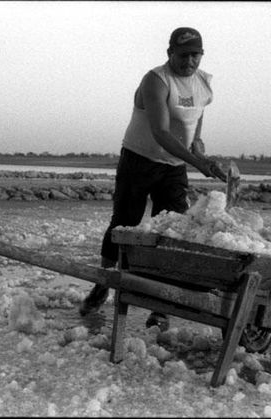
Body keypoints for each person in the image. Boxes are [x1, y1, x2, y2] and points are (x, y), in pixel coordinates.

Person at [79, 27, 227, 330]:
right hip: (139, 160)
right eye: (183, 55)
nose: (189, 61)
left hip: (174, 167)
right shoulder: (156, 80)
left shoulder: (203, 85)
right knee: (124, 224)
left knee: (172, 229)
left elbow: (194, 130)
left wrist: (201, 153)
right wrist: (197, 162)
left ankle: (162, 306)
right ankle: (104, 282)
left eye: (194, 55)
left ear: (202, 54)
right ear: (169, 53)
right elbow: (160, 132)